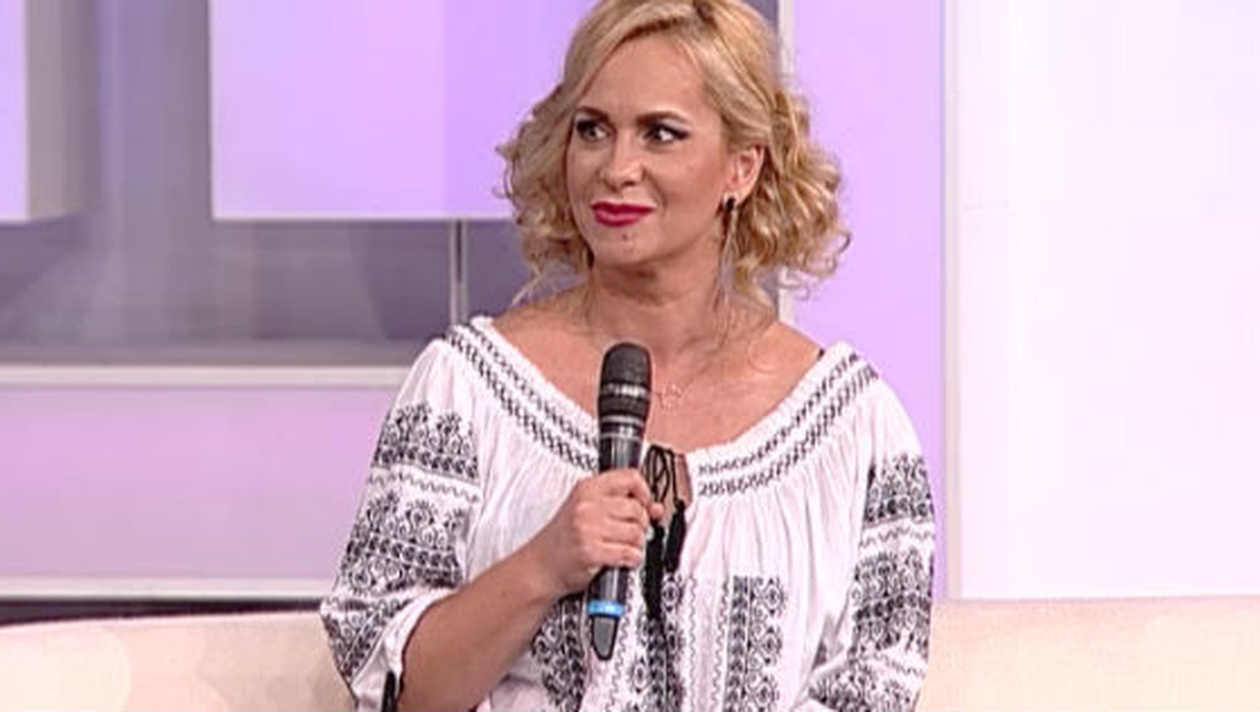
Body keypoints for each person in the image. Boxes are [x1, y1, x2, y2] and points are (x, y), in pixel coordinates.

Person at [320, 1, 935, 710]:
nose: (617, 168)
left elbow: (877, 686)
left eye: (660, 134)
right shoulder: (462, 392)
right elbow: (398, 692)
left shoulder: (854, 429)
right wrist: (545, 564)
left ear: (741, 167)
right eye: (593, 130)